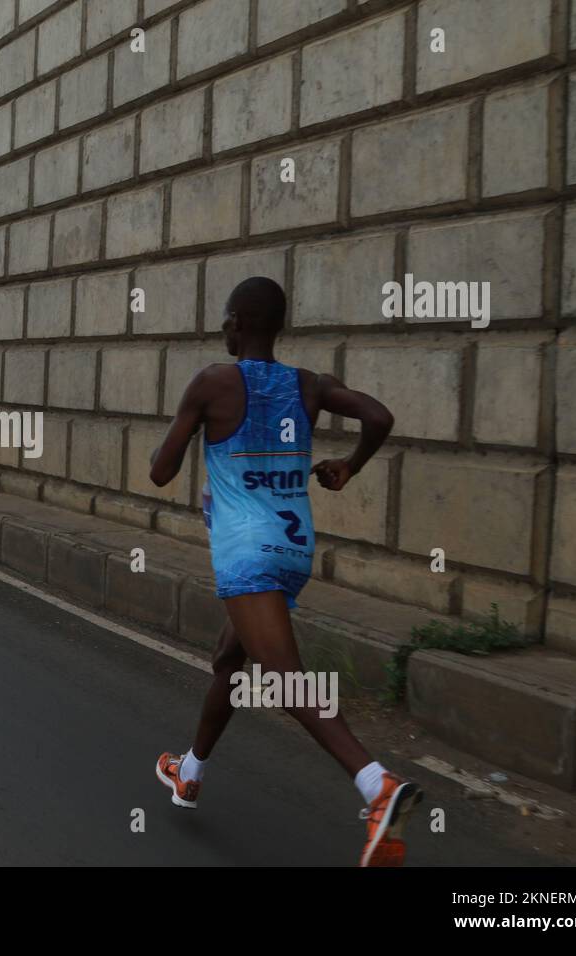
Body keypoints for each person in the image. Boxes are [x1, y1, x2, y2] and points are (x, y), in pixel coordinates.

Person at [149, 276, 419, 868]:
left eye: (224, 320)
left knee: (285, 678)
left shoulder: (211, 382)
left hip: (246, 551)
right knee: (229, 659)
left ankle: (377, 786)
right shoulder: (310, 385)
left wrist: (192, 425)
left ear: (238, 323)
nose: (222, 329)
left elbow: (160, 472)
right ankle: (189, 773)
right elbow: (379, 415)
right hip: (295, 551)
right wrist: (348, 466)